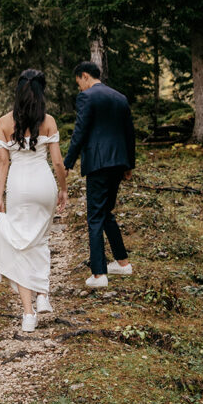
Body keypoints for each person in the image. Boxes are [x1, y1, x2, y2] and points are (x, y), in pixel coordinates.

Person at [0, 69, 68, 332]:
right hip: (43, 183)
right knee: (41, 240)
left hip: (18, 186)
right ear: (42, 92)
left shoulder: (5, 122)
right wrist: (63, 189)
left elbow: (2, 162)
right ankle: (43, 294)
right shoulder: (49, 120)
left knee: (20, 245)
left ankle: (28, 314)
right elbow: (57, 162)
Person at [63, 60, 135, 289]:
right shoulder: (120, 97)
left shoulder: (88, 97)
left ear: (85, 76)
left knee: (94, 216)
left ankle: (98, 274)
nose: (79, 89)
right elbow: (129, 133)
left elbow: (80, 130)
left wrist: (68, 161)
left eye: (79, 83)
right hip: (118, 162)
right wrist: (128, 165)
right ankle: (123, 263)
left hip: (98, 163)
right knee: (105, 213)